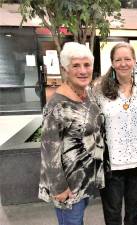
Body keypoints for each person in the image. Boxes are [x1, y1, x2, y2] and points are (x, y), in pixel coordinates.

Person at [38, 42, 106, 225]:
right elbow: (48, 151)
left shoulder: (87, 94)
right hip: (67, 184)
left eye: (87, 65)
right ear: (65, 69)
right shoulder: (57, 105)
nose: (83, 71)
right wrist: (59, 187)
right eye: (76, 65)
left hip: (82, 179)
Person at [93, 42, 137, 225]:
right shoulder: (99, 90)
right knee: (113, 215)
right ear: (112, 63)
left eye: (127, 59)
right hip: (112, 164)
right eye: (118, 59)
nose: (123, 63)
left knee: (134, 215)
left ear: (134, 61)